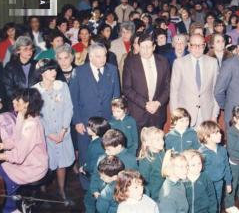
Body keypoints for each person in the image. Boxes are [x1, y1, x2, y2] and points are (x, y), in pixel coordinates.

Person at [0, 88, 48, 213]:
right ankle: (17, 202)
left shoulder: (31, 125)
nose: (13, 101)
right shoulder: (21, 115)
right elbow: (14, 140)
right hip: (22, 163)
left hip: (33, 168)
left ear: (26, 104)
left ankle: (12, 209)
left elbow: (18, 156)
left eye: (17, 99)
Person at [69, 43, 120, 190]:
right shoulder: (79, 72)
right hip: (85, 123)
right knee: (86, 155)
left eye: (104, 55)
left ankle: (105, 186)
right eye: (98, 56)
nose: (102, 59)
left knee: (106, 154)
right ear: (90, 57)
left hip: (107, 122)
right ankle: (87, 188)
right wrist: (77, 121)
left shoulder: (112, 70)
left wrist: (115, 120)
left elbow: (116, 96)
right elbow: (73, 99)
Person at [33, 59, 75, 202]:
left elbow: (69, 108)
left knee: (61, 163)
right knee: (46, 164)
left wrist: (63, 130)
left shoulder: (62, 86)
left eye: (54, 69)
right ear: (41, 72)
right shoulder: (35, 91)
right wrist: (49, 134)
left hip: (63, 132)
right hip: (45, 135)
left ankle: (62, 191)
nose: (54, 72)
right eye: (50, 70)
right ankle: (43, 191)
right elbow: (35, 116)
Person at [122, 33, 170, 130]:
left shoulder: (163, 61)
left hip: (158, 113)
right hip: (138, 114)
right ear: (138, 47)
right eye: (143, 47)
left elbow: (168, 86)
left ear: (154, 47)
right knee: (139, 145)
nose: (145, 50)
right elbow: (127, 88)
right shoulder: (130, 63)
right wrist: (145, 104)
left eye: (148, 46)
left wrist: (157, 103)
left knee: (156, 144)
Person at [170, 34, 219, 128]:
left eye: (200, 45)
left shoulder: (213, 62)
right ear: (189, 46)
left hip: (207, 114)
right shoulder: (179, 63)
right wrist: (175, 116)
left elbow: (215, 91)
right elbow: (174, 92)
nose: (197, 48)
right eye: (194, 45)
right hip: (185, 115)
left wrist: (214, 115)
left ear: (204, 46)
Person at [197, 120, 232, 209]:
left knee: (217, 205)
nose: (220, 134)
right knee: (207, 206)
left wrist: (228, 183)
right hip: (206, 185)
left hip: (219, 183)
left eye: (219, 132)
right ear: (206, 137)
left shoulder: (223, 150)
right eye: (216, 133)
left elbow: (227, 168)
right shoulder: (201, 153)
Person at [2, 36, 38, 110]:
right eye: (25, 49)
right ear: (18, 51)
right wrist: (19, 102)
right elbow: (8, 88)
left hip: (34, 104)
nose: (29, 52)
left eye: (31, 49)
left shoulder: (37, 64)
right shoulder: (10, 66)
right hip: (16, 104)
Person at [138, 126, 165, 201]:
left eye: (162, 139)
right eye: (158, 140)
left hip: (165, 193)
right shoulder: (146, 160)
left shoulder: (163, 154)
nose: (162, 142)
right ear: (147, 143)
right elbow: (143, 182)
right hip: (154, 196)